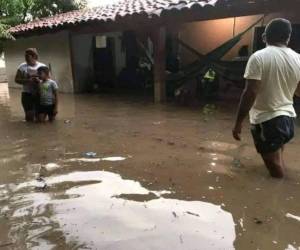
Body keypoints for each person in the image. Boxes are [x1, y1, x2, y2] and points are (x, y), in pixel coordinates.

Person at [232, 18, 300, 178]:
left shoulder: (259, 57)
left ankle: (278, 195)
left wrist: (238, 123)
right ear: (288, 37)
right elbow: (298, 91)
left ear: (265, 37)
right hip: (288, 120)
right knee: (277, 152)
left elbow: (250, 92)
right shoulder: (298, 58)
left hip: (268, 120)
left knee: (274, 169)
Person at [15, 48, 46, 122]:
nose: (26, 58)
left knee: (40, 119)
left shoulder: (42, 66)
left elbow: (49, 80)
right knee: (29, 118)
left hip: (40, 94)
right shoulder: (22, 66)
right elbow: (16, 80)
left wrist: (40, 81)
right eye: (25, 56)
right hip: (27, 94)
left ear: (34, 56)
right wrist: (27, 81)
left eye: (27, 56)